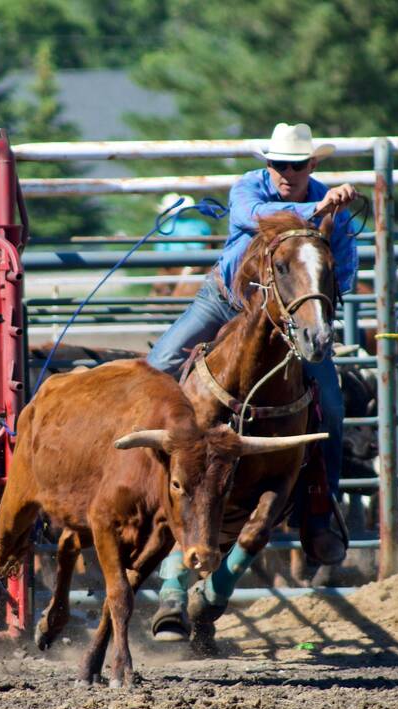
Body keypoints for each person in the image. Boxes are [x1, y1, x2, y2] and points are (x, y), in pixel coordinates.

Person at [145, 123, 359, 634]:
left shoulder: (337, 216)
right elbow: (249, 218)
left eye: (297, 166)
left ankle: (319, 506)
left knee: (330, 402)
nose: (287, 174)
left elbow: (341, 271)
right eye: (280, 165)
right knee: (158, 366)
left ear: (311, 166)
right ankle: (136, 488)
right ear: (269, 166)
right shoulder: (251, 189)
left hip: (294, 311)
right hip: (227, 299)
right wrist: (320, 207)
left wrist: (319, 309)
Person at [152, 193, 214, 297]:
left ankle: (156, 305)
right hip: (198, 262)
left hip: (172, 263)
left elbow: (159, 250)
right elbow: (210, 243)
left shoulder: (165, 228)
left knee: (160, 287)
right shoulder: (200, 224)